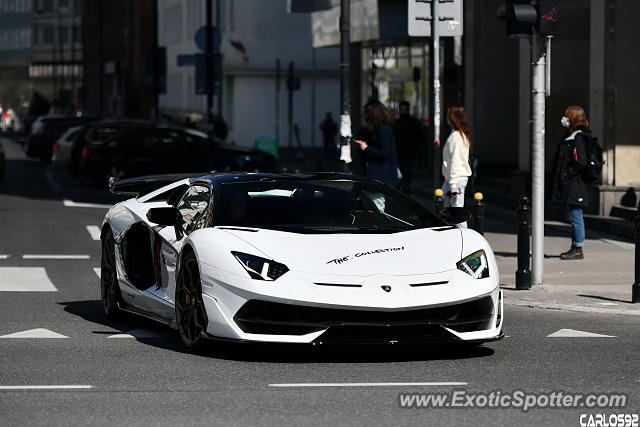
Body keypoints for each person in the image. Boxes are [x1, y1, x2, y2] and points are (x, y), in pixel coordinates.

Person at [551, 106, 591, 260]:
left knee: (576, 216)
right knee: (574, 215)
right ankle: (575, 246)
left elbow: (580, 161)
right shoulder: (572, 136)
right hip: (571, 183)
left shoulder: (578, 137)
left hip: (575, 184)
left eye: (567, 116)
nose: (564, 119)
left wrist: (567, 173)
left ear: (573, 118)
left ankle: (578, 248)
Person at [354, 100, 401, 188]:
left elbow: (384, 154)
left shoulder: (384, 129)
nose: (365, 117)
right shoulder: (378, 129)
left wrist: (366, 148)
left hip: (383, 178)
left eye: (367, 114)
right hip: (377, 177)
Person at [441, 106, 472, 208]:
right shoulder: (460, 134)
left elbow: (455, 161)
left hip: (455, 180)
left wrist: (453, 185)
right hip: (453, 179)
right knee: (448, 212)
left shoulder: (456, 136)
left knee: (457, 215)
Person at [394, 101, 423, 193]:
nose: (403, 111)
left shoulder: (412, 123)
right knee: (403, 172)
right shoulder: (397, 123)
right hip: (401, 152)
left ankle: (405, 189)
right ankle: (404, 189)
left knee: (407, 173)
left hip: (409, 152)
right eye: (402, 109)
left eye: (405, 110)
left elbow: (419, 137)